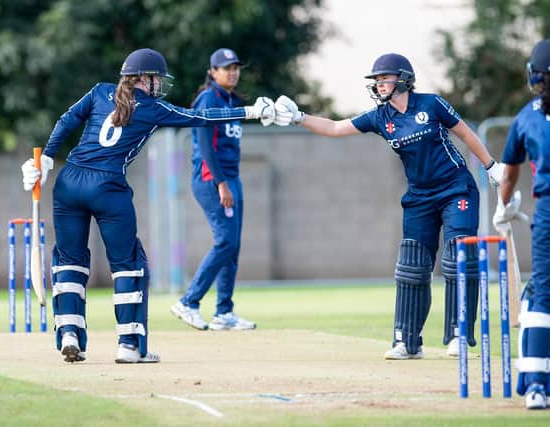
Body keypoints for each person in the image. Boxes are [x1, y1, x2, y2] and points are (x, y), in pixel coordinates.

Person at [20, 48, 275, 364]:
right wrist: (251, 112)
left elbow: (66, 119)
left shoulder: (100, 91)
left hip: (68, 182)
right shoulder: (153, 108)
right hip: (108, 187)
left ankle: (69, 333)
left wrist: (45, 158)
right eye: (156, 78)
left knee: (69, 261)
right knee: (129, 264)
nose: (159, 84)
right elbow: (201, 118)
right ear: (143, 78)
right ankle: (129, 346)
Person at [273, 53, 504, 360]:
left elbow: (464, 132)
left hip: (455, 188)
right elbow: (335, 127)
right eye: (377, 81)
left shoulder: (431, 104)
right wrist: (298, 117)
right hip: (420, 197)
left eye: (385, 79)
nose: (380, 85)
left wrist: (490, 166)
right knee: (412, 265)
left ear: (403, 79)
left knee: (458, 255)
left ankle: (459, 334)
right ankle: (407, 341)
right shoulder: (380, 117)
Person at [170, 48, 256, 331]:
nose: (232, 72)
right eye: (226, 67)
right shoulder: (208, 98)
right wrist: (221, 183)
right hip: (212, 179)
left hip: (231, 177)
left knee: (233, 247)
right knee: (225, 242)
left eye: (235, 67)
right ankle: (188, 302)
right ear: (212, 72)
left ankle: (224, 312)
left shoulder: (230, 99)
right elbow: (206, 146)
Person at [493, 38, 550, 410]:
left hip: (547, 210)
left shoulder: (527, 116)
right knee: (538, 295)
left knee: (542, 296)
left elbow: (510, 176)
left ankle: (535, 387)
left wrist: (505, 205)